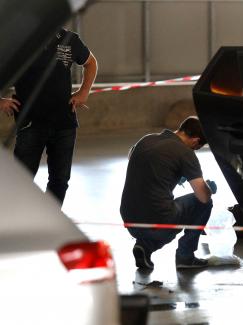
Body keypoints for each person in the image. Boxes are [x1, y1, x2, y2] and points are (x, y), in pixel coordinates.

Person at [0, 28, 98, 204]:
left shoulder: (70, 39)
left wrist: (84, 92)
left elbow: (91, 63)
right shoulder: (17, 41)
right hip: (31, 124)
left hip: (64, 123)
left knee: (60, 181)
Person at [120, 116, 216, 270]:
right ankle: (186, 256)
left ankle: (144, 247)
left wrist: (173, 173)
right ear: (195, 141)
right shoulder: (186, 153)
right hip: (159, 223)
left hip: (129, 219)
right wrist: (209, 189)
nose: (194, 151)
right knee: (204, 203)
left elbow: (136, 158)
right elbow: (203, 197)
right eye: (196, 148)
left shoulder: (147, 139)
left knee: (156, 207)